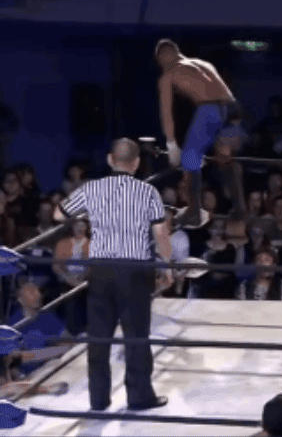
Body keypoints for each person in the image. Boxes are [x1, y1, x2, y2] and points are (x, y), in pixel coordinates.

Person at [53, 138, 173, 411]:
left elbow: (59, 214)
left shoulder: (91, 189)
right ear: (137, 163)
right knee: (136, 338)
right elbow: (161, 234)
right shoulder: (148, 192)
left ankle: (98, 400)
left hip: (102, 271)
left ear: (110, 160)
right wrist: (166, 266)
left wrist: (91, 213)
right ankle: (139, 397)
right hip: (135, 271)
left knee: (99, 337)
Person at [155, 38, 236, 227]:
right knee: (224, 159)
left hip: (209, 109)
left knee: (189, 157)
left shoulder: (169, 74)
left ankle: (194, 212)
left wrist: (171, 144)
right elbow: (225, 93)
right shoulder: (202, 64)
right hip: (229, 108)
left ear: (162, 58)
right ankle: (239, 206)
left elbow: (166, 113)